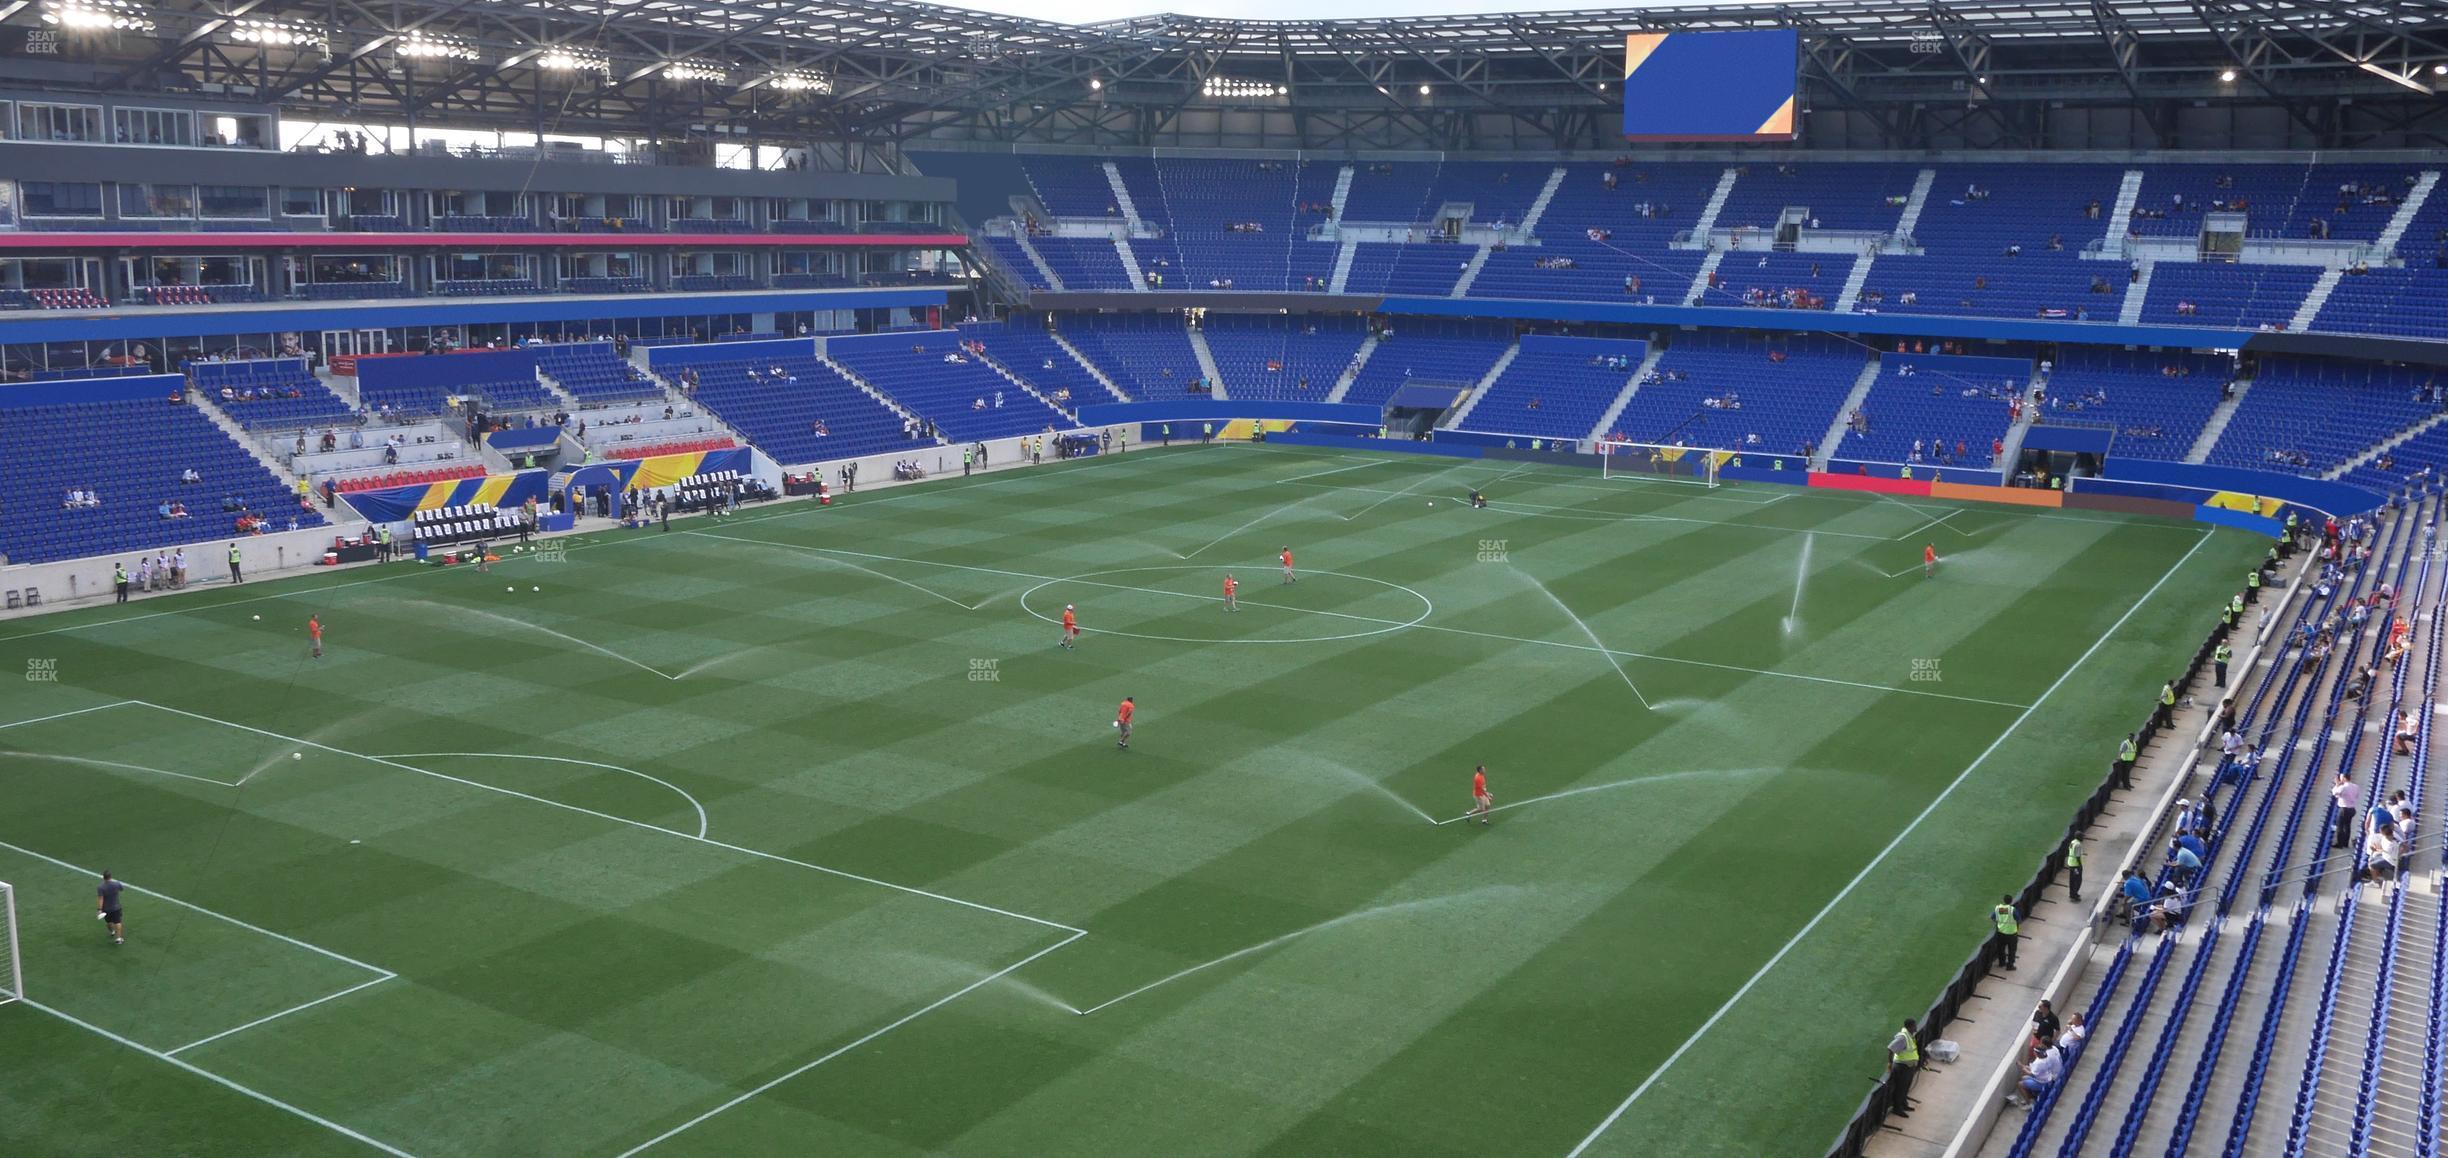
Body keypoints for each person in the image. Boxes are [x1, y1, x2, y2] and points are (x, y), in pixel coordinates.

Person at [1886, 1018, 1923, 1118]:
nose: (1916, 1027)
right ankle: (1897, 1108)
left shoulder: (1910, 1035)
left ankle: (1903, 1104)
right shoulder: (1903, 1037)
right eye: (1915, 1025)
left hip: (1908, 1067)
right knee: (1900, 1088)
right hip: (1902, 1067)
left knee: (1905, 1087)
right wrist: (1890, 1063)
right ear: (1910, 1026)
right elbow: (1891, 1048)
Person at [2332, 770, 2360, 850]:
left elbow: (2334, 793)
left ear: (2344, 778)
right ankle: (2345, 843)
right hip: (2352, 808)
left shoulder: (2343, 787)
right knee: (2347, 826)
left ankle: (2339, 843)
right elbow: (2356, 796)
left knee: (2340, 826)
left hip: (2344, 809)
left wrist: (2337, 784)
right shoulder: (2356, 786)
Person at [1992, 894, 2021, 970]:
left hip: (2001, 933)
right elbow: (2018, 919)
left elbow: (1993, 917)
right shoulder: (2012, 910)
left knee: (2001, 949)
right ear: (2011, 901)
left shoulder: (2000, 909)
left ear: (2004, 901)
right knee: (2012, 950)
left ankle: (2002, 963)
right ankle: (2010, 965)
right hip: (2012, 934)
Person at [97, 869, 125, 945]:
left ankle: (112, 931)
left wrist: (99, 909)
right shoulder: (116, 884)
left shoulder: (101, 887)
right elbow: (122, 889)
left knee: (109, 922)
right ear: (110, 876)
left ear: (103, 877)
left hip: (106, 908)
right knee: (118, 922)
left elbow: (100, 899)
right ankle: (118, 938)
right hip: (116, 907)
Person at [2064, 836, 2084, 903]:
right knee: (2078, 880)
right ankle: (2074, 895)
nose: (2083, 838)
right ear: (2079, 837)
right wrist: (2080, 865)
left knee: (2072, 880)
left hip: (2071, 863)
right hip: (2076, 865)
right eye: (2082, 836)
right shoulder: (2078, 844)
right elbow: (2078, 856)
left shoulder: (2073, 842)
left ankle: (2072, 894)